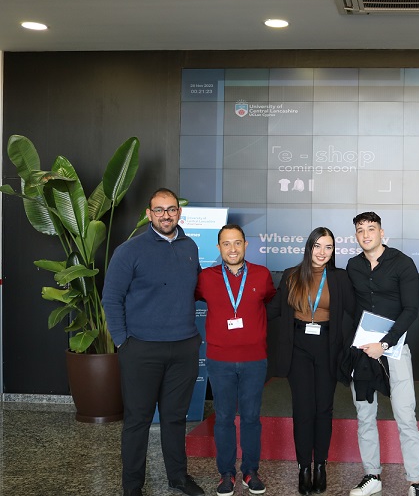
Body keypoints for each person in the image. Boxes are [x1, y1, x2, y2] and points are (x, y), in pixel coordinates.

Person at [103, 188, 204, 496]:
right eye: (159, 210)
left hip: (184, 346)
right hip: (141, 349)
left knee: (175, 418)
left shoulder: (190, 247)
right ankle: (132, 486)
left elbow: (196, 288)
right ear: (149, 214)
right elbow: (111, 298)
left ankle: (178, 477)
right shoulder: (129, 251)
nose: (165, 215)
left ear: (179, 213)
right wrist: (123, 342)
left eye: (171, 209)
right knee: (138, 420)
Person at [266, 227, 355, 495]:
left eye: (328, 247)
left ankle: (320, 466)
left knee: (323, 409)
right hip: (298, 347)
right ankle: (304, 467)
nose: (322, 252)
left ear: (333, 250)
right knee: (303, 409)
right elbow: (273, 309)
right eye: (317, 246)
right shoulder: (292, 275)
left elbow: (356, 311)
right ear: (309, 247)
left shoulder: (340, 277)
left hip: (328, 347)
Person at [346, 212, 419, 496]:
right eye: (360, 230)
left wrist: (386, 343)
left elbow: (411, 310)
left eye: (371, 229)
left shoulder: (402, 263)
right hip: (362, 352)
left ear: (381, 232)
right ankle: (372, 475)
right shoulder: (353, 266)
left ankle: (415, 482)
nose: (366, 234)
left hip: (395, 349)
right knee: (365, 415)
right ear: (356, 235)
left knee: (405, 416)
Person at [195, 224, 276, 496]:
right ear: (218, 247)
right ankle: (226, 474)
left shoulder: (262, 275)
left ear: (245, 245)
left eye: (237, 243)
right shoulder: (205, 278)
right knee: (224, 418)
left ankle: (251, 471)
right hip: (220, 361)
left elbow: (270, 300)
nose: (232, 249)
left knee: (251, 417)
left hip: (254, 359)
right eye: (227, 243)